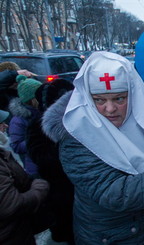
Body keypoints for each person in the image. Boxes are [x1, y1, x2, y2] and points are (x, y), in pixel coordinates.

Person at [41, 51, 144, 244]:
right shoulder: (75, 137)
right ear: (88, 98)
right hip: (111, 235)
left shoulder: (133, 116)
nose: (110, 109)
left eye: (119, 99)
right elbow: (114, 192)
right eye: (100, 100)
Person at [26, 79, 75, 243]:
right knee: (65, 225)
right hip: (58, 186)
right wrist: (68, 154)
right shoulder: (38, 124)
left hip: (77, 186)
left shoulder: (77, 118)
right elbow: (38, 155)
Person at [0, 108, 51, 244]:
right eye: (0, 123)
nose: (5, 126)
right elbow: (11, 204)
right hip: (10, 237)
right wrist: (38, 187)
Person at [8, 75, 42, 177]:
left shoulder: (43, 110)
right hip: (36, 169)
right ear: (32, 99)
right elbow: (16, 145)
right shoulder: (18, 120)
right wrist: (38, 140)